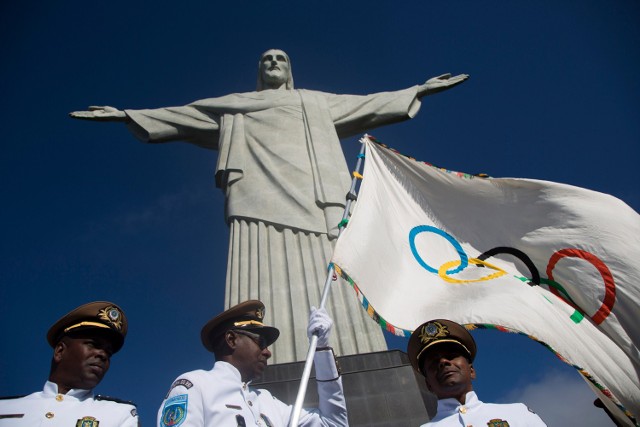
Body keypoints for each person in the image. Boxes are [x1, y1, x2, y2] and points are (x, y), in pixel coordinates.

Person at [70, 49, 469, 363]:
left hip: (319, 199)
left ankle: (353, 351)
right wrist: (126, 115)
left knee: (329, 265)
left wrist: (418, 90)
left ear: (289, 70)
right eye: (267, 59)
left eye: (281, 59)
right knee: (262, 267)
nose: (274, 63)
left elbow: (368, 104)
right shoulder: (237, 104)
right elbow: (185, 116)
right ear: (259, 70)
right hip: (256, 202)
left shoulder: (314, 102)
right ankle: (264, 353)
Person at [157, 299, 347, 426]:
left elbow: (333, 423)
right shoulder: (195, 386)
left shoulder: (267, 401)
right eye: (261, 342)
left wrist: (321, 349)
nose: (267, 352)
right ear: (231, 339)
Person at [0, 301, 139, 426]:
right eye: (93, 344)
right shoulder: (5, 408)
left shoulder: (119, 415)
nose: (103, 355)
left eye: (108, 353)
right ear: (60, 351)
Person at [407, 319, 547, 426]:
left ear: (472, 370)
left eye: (451, 356)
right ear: (428, 385)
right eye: (434, 362)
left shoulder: (518, 414)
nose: (443, 362)